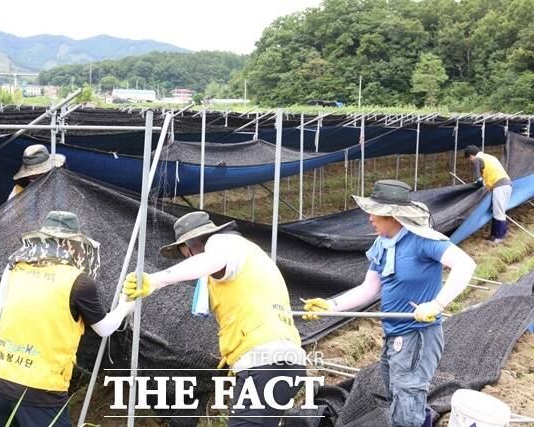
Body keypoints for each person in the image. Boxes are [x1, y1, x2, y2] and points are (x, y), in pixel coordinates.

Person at [303, 180, 476, 427]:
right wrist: (331, 306)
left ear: (392, 215)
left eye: (375, 212)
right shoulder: (382, 243)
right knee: (401, 397)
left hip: (417, 336)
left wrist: (436, 305)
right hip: (393, 336)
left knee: (407, 404)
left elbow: (465, 265)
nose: (370, 218)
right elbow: (370, 288)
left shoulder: (422, 240)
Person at [122, 211, 307, 426]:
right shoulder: (250, 253)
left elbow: (212, 260)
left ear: (191, 246)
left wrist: (155, 280)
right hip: (285, 360)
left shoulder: (222, 244)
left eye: (186, 253)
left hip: (266, 361)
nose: (188, 258)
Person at [0, 211, 134, 427]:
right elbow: (104, 329)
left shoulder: (15, 268)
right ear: (74, 246)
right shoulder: (79, 282)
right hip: (41, 388)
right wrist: (126, 305)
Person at [0, 145, 67, 363]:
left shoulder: (62, 189)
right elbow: (7, 226)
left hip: (56, 264)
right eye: (32, 176)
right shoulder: (19, 192)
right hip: (22, 259)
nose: (36, 179)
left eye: (40, 174)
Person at [464, 145, 512, 243]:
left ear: (471, 156)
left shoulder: (477, 159)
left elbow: (479, 180)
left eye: (469, 159)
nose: (471, 161)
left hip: (499, 186)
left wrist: (475, 189)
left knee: (499, 212)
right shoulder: (489, 157)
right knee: (498, 211)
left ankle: (499, 238)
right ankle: (493, 236)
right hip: (506, 184)